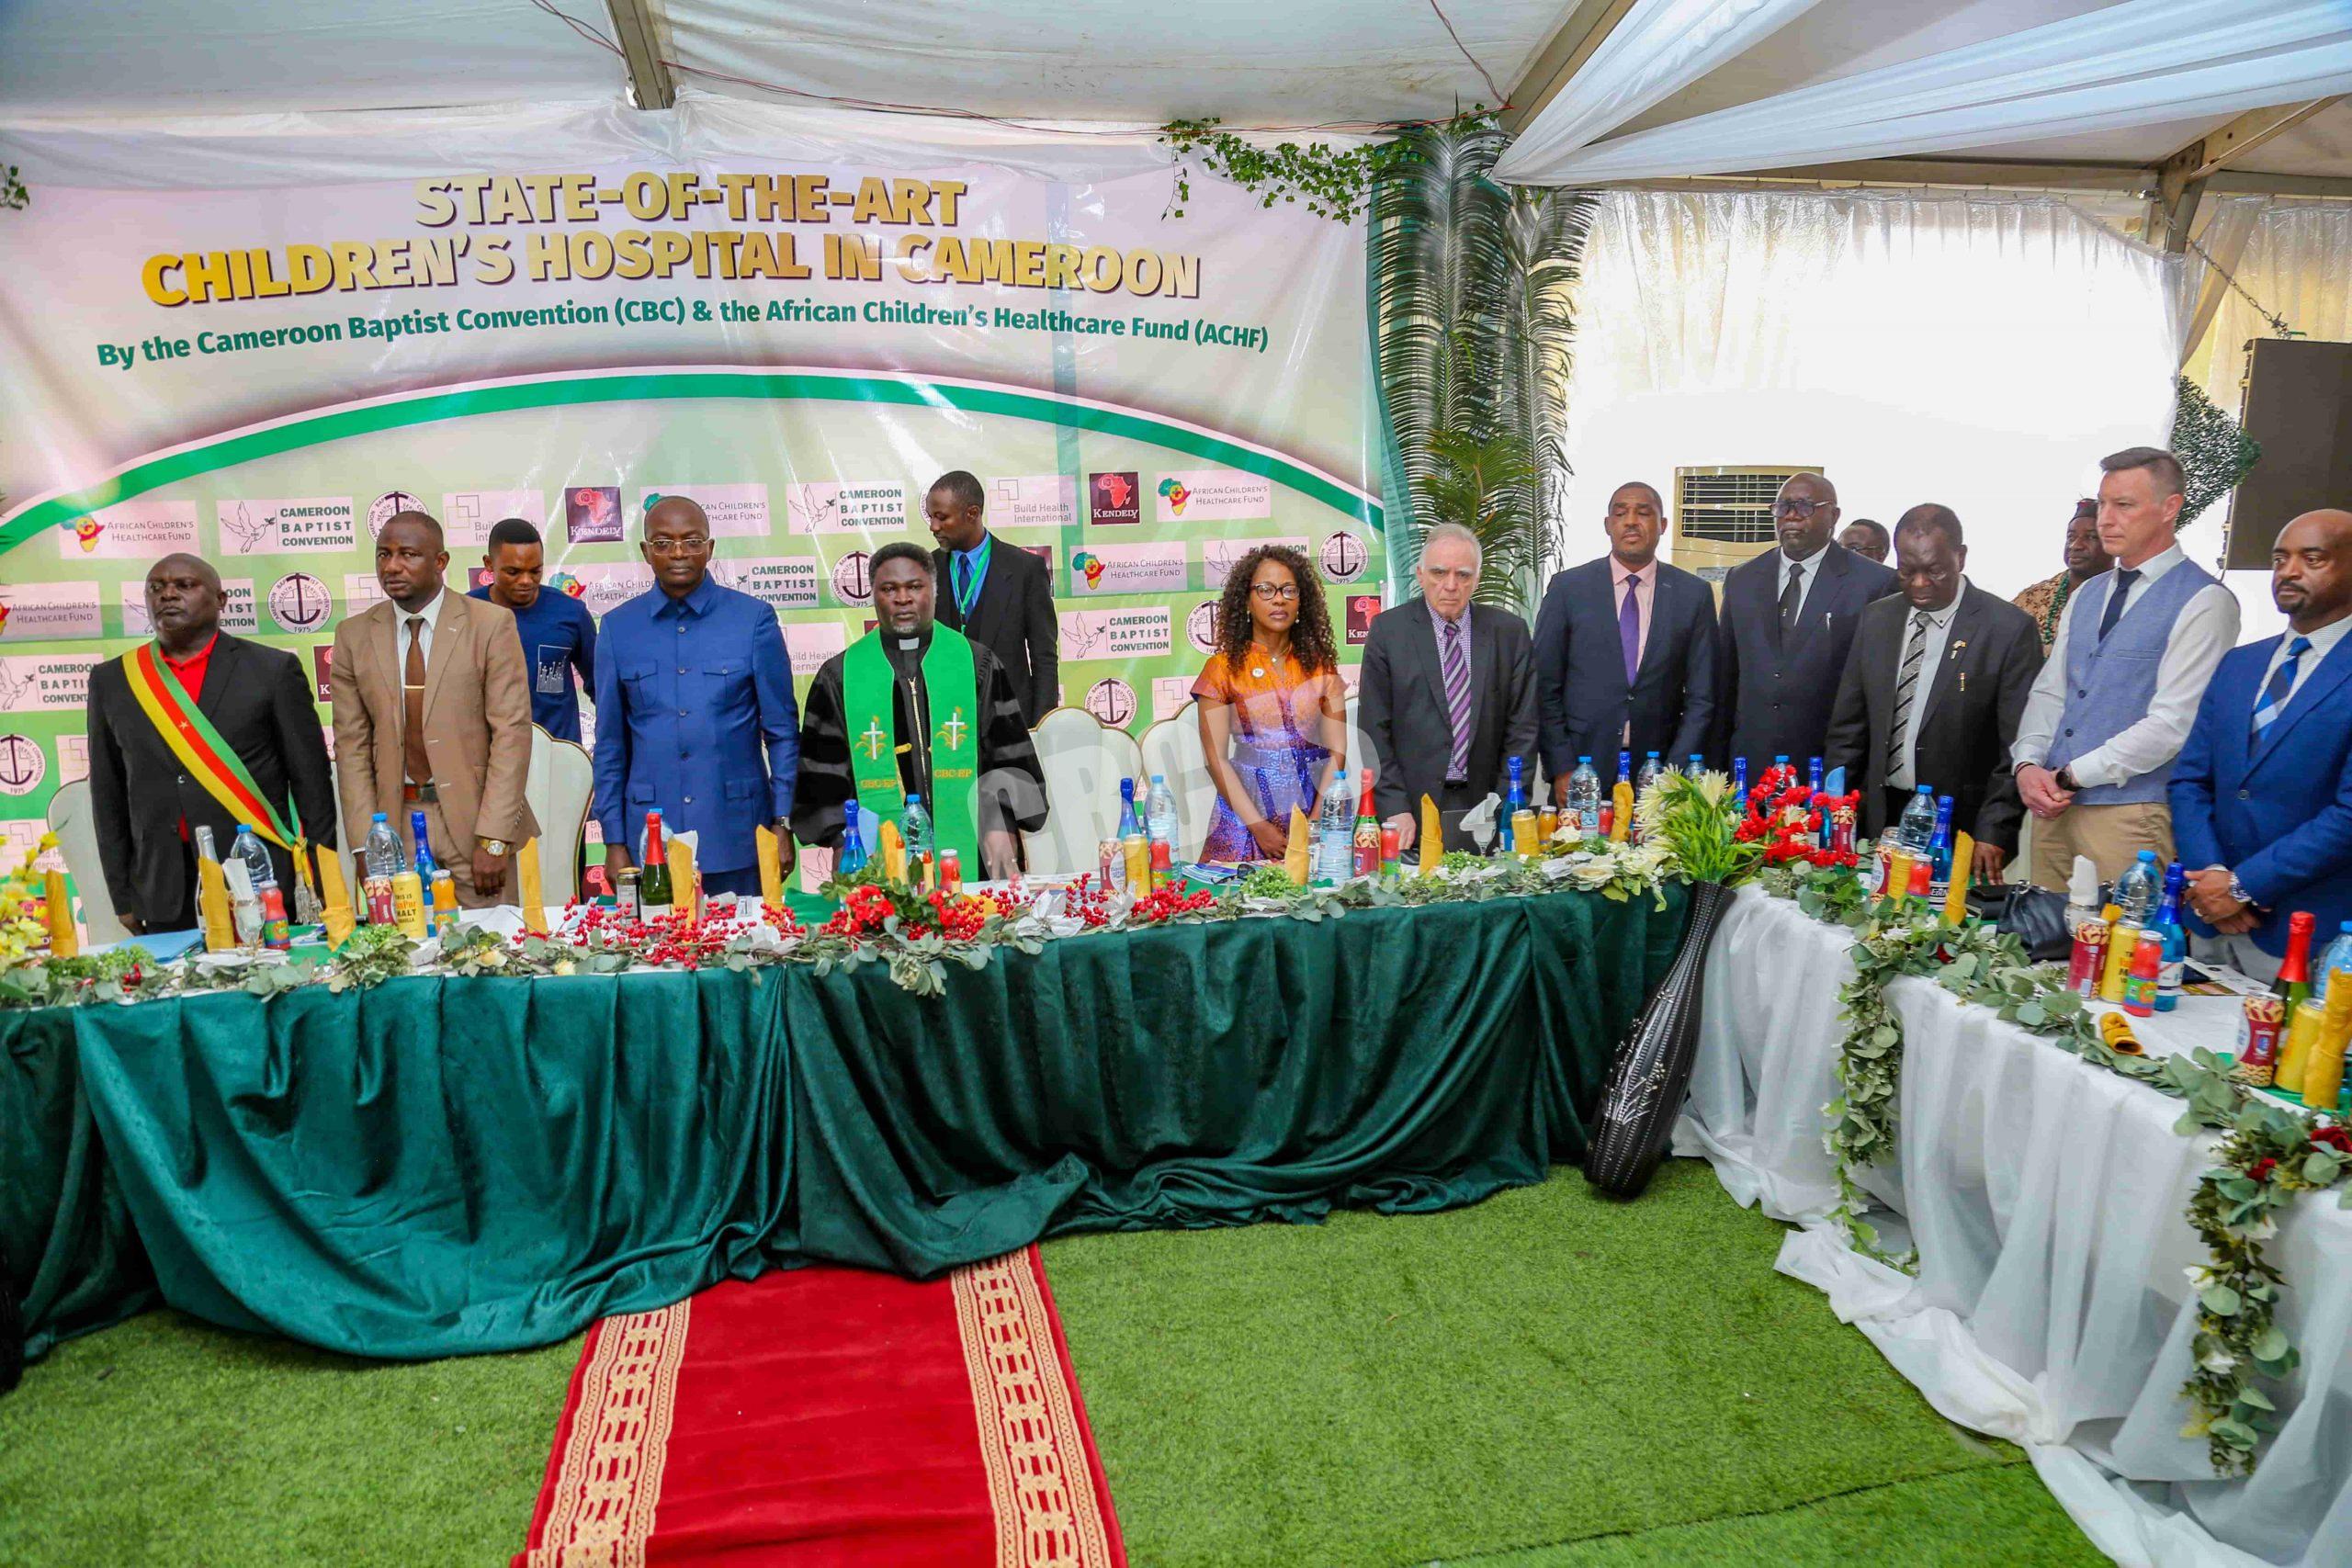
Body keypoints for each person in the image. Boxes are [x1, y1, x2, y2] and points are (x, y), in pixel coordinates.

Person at [2013, 446, 2240, 888]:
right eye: (2103, 504)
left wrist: (2072, 775)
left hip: (2131, 815)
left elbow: (2174, 723)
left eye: (2125, 505)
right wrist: (2027, 765)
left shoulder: (2204, 601)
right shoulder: (2087, 593)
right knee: (2037, 948)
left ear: (2169, 508)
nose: (2106, 520)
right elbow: (2051, 691)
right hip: (2052, 807)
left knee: (2119, 951)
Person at [85, 553, 336, 932]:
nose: (168, 595)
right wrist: (122, 895)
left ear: (221, 600)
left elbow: (312, 785)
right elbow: (108, 796)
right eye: (157, 588)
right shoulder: (113, 680)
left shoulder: (272, 671)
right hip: (164, 890)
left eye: (184, 586)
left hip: (260, 877)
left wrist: (320, 878)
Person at [2171, 509, 2352, 981]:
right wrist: (2211, 877)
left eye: (2312, 558)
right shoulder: (2239, 664)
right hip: (2207, 919)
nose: (2289, 571)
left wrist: (2243, 886)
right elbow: (2190, 779)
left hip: (2303, 932)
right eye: (2280, 559)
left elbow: (2349, 814)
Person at [792, 542, 1046, 876]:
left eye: (914, 586)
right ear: (873, 595)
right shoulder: (840, 675)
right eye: (889, 589)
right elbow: (822, 776)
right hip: (873, 862)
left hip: (976, 852)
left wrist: (1002, 820)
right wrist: (843, 839)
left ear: (934, 591)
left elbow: (1008, 754)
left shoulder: (975, 663)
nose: (903, 598)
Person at [1823, 506, 2042, 881]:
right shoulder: (1877, 619)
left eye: (1935, 571)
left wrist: (1995, 830)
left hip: (1959, 824)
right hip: (1878, 813)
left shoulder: (2007, 629)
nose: (1920, 584)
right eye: (1907, 572)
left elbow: (2018, 744)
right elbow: (1849, 727)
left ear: (1961, 556)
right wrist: (1834, 807)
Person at [595, 496, 799, 898]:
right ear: (645, 552)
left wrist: (783, 821)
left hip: (738, 834)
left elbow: (781, 732)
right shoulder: (618, 629)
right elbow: (610, 745)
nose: (678, 553)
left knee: (746, 952)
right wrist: (614, 841)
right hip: (649, 842)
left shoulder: (753, 619)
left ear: (710, 547)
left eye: (691, 541)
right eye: (663, 542)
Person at [330, 510, 536, 906]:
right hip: (393, 825)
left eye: (408, 554)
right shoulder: (354, 635)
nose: (392, 566)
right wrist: (363, 846)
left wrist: (494, 839)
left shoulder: (490, 624)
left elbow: (511, 733)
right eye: (383, 555)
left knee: (491, 954)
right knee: (402, 954)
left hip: (475, 821)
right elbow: (350, 748)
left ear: (440, 562)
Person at [1532, 479, 1718, 800]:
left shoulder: (1693, 594)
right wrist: (1561, 767)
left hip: (1661, 772)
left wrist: (1675, 773)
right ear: (1608, 525)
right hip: (1582, 771)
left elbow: (1702, 696)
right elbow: (1544, 685)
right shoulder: (1568, 588)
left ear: (1662, 525)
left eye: (1643, 513)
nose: (1631, 521)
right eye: (1621, 513)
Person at [1359, 523, 1538, 852]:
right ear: (1419, 573)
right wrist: (1394, 806)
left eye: (1463, 575)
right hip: (1411, 810)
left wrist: (1504, 807)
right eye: (1439, 573)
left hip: (1487, 805)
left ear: (1478, 578)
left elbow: (1522, 729)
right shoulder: (1389, 632)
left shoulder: (1509, 633)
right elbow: (1373, 729)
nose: (1451, 586)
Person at [1716, 472, 1898, 778]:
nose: (1791, 517)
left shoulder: (1874, 584)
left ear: (1834, 515)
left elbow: (1877, 691)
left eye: (1804, 507)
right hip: (1749, 765)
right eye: (1783, 506)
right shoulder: (1742, 579)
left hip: (1827, 768)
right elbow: (1725, 678)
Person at [1192, 543, 1347, 862]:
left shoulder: (1321, 666)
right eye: (1266, 589)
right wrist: (1258, 827)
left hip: (1312, 804)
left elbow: (1338, 752)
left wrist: (1315, 825)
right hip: (1244, 812)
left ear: (1302, 601)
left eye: (1289, 590)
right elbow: (1215, 759)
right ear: (1246, 600)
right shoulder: (1222, 669)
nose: (1279, 599)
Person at [926, 470, 1060, 725]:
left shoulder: (1025, 569)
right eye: (931, 517)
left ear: (972, 514)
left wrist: (1041, 728)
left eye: (942, 517)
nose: (934, 526)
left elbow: (1044, 656)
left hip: (1011, 724)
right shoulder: (926, 569)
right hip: (947, 727)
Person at [468, 517, 596, 743]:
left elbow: (602, 686)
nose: (526, 581)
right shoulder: (466, 614)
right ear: (489, 564)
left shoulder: (570, 612)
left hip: (558, 758)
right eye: (513, 572)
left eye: (535, 571)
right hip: (488, 758)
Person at [2012, 500, 2114, 655]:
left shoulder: (2126, 594)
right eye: (2071, 537)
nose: (2076, 545)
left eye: (2091, 537)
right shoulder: (2033, 599)